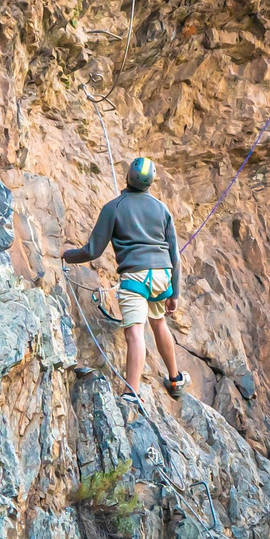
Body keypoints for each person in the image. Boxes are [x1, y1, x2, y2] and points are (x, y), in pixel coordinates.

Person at [61, 156, 189, 403]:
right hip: (162, 275)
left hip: (135, 277)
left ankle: (132, 392)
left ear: (128, 176)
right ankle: (175, 379)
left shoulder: (114, 207)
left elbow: (92, 251)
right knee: (159, 322)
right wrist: (175, 293)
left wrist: (66, 255)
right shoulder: (162, 209)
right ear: (151, 182)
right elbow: (175, 255)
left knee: (135, 332)